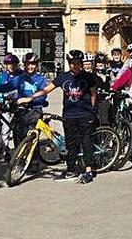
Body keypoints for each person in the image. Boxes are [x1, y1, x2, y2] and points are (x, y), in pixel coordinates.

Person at [19, 50, 100, 184]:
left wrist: (92, 110)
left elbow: (93, 93)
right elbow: (46, 89)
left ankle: (88, 171)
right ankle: (72, 169)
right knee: (71, 144)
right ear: (69, 64)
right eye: (73, 63)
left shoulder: (88, 76)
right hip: (69, 115)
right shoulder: (63, 77)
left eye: (78, 63)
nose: (76, 66)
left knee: (86, 142)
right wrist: (30, 98)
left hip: (85, 114)